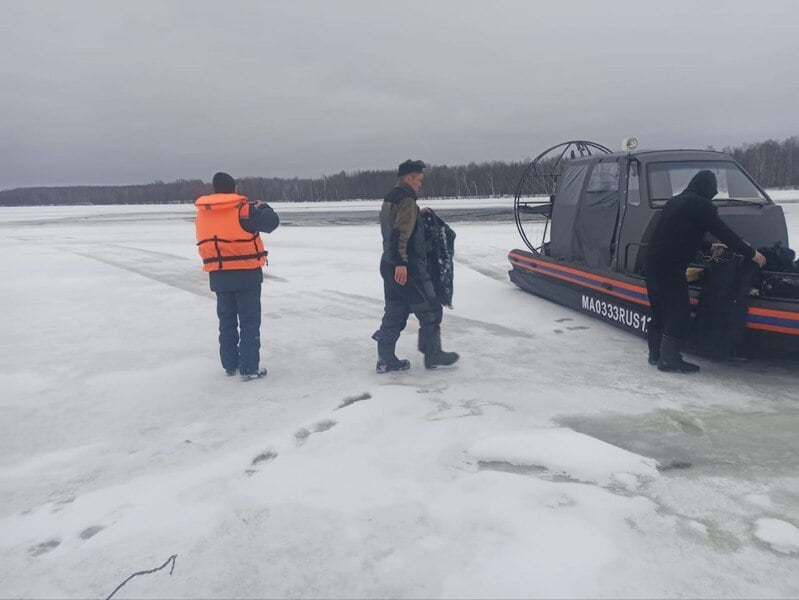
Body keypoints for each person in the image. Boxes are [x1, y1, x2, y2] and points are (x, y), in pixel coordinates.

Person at [645, 170, 766, 373]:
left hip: (652, 262)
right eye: (713, 189)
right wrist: (751, 253)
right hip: (671, 266)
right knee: (679, 311)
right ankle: (669, 359)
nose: (714, 193)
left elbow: (677, 233)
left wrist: (707, 245)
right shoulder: (702, 205)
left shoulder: (674, 201)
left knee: (660, 309)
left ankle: (655, 353)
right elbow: (724, 231)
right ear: (707, 188)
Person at [371, 159, 459, 373]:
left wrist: (417, 216)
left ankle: (385, 358)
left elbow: (396, 223)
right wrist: (402, 263)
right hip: (407, 267)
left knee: (396, 309)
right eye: (419, 180)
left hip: (388, 264)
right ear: (409, 178)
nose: (420, 184)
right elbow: (399, 233)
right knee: (430, 307)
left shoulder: (392, 197)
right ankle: (433, 354)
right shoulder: (407, 200)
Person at [195, 172, 280, 381]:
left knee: (226, 322)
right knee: (249, 323)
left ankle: (230, 365)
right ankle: (249, 368)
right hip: (247, 275)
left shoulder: (203, 213)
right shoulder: (243, 210)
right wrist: (264, 207)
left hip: (219, 275)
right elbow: (271, 223)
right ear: (234, 188)